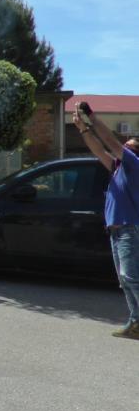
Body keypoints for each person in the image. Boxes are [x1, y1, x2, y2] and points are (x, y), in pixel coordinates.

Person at [74, 102, 139, 339]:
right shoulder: (118, 168)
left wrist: (91, 116)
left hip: (130, 229)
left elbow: (109, 142)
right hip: (118, 231)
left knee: (132, 278)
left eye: (129, 148)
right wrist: (83, 129)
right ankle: (136, 323)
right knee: (125, 280)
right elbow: (99, 151)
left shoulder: (135, 166)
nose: (123, 149)